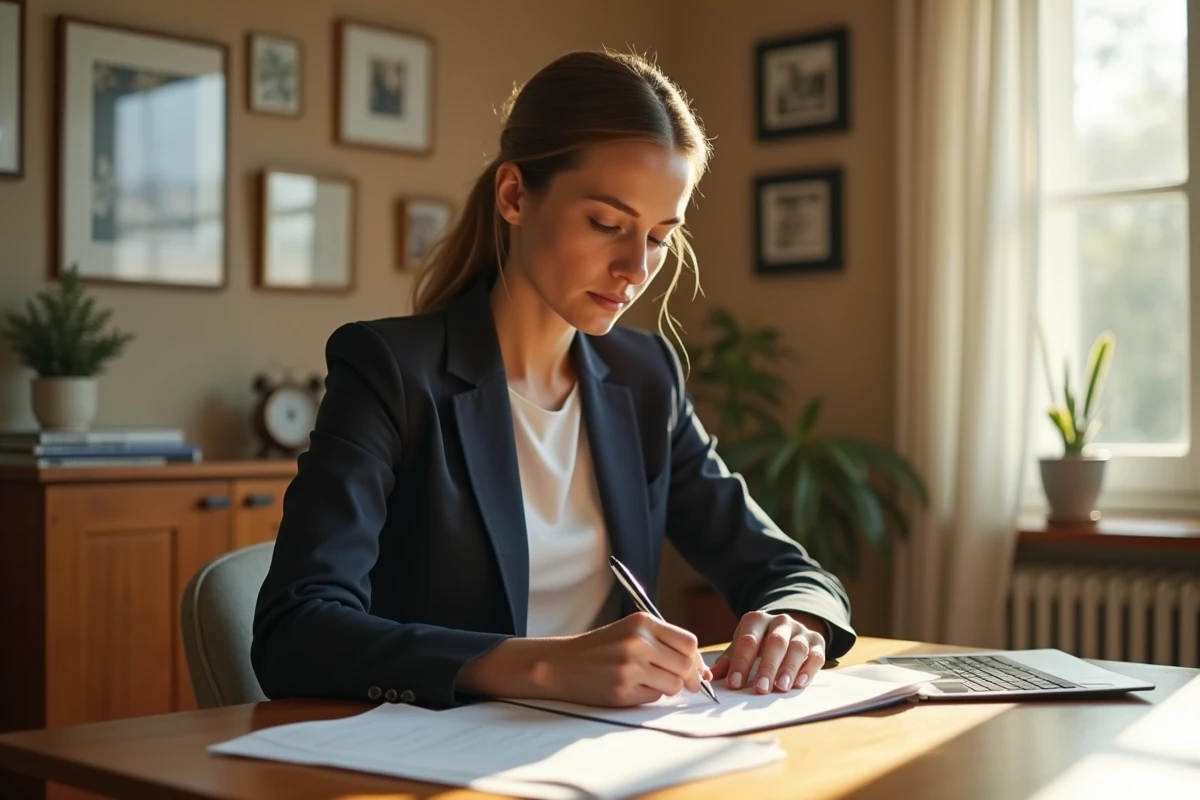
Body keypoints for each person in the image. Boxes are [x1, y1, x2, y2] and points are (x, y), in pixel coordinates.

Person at [251, 49, 855, 710]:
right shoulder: (390, 372)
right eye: (606, 224)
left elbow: (786, 570)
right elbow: (295, 632)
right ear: (514, 195)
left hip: (609, 755)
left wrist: (798, 621)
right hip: (434, 763)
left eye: (659, 237)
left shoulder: (647, 377)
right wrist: (536, 667)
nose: (635, 267)